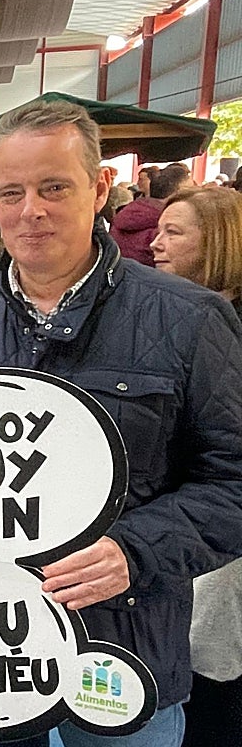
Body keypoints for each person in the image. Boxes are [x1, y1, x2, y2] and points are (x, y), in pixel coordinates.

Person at [0, 98, 242, 747]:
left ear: (99, 188)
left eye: (53, 187)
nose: (30, 211)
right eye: (12, 192)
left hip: (124, 653)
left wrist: (136, 549)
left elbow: (234, 483)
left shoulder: (189, 319)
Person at [144, 188, 242, 747]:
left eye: (174, 232)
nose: (155, 243)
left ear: (219, 243)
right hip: (171, 528)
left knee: (213, 672)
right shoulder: (161, 315)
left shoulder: (214, 325)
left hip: (214, 536)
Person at [110, 164, 193, 267]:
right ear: (178, 193)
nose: (194, 198)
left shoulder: (126, 214)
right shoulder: (166, 227)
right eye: (191, 192)